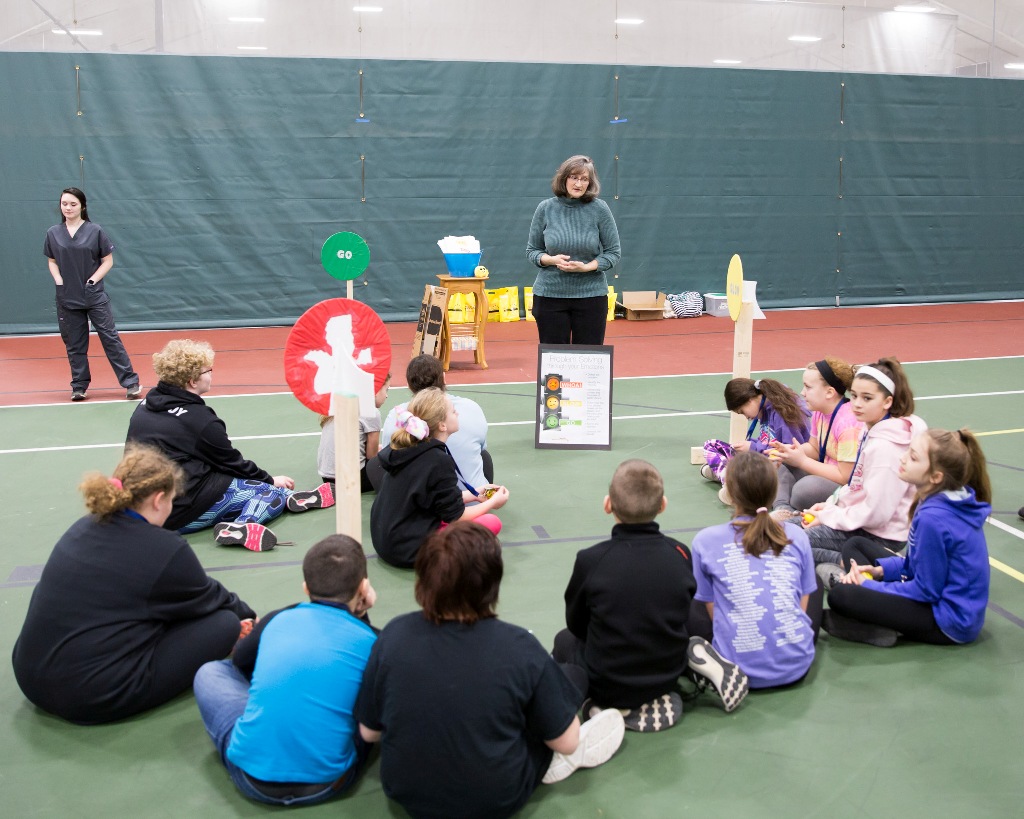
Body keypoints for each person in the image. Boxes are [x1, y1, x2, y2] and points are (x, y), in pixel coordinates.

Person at [355, 523, 626, 819]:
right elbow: (568, 742)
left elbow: (369, 732)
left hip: (405, 791)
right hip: (496, 797)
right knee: (572, 677)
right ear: (492, 584)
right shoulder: (519, 646)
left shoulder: (393, 636)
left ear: (422, 580)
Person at [11, 444, 256, 724]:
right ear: (158, 499)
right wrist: (250, 618)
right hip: (88, 696)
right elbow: (213, 598)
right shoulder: (164, 547)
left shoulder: (82, 527)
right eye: (172, 500)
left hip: (29, 677)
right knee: (224, 624)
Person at [553, 459, 747, 730]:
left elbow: (576, 624)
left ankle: (608, 705)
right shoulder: (679, 553)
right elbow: (681, 611)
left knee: (564, 641)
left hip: (611, 680)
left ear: (608, 505)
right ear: (662, 505)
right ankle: (684, 667)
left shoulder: (590, 560)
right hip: (667, 673)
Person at [193, 535, 378, 805]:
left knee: (211, 672)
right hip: (330, 782)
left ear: (305, 587)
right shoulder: (375, 640)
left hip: (251, 779)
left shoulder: (276, 620)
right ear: (364, 589)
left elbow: (241, 663)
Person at [126, 339, 334, 552]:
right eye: (208, 371)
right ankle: (243, 525)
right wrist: (271, 480)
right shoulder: (200, 420)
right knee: (271, 492)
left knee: (237, 482)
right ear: (192, 381)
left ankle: (290, 499)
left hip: (145, 506)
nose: (211, 375)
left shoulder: (145, 406)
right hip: (179, 511)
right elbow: (233, 463)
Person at [824, 429, 992, 647]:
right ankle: (873, 608)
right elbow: (916, 564)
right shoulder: (938, 497)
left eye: (913, 457)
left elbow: (926, 590)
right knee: (856, 546)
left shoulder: (934, 519)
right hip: (934, 595)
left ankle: (876, 627)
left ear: (936, 477)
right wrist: (880, 571)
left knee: (841, 595)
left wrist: (869, 586)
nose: (903, 459)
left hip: (948, 621)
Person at [690, 451, 822, 690]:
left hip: (734, 668)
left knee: (695, 592)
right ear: (774, 493)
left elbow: (712, 611)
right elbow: (802, 605)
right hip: (795, 666)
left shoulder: (705, 540)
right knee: (814, 584)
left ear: (730, 495)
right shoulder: (796, 535)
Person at [804, 357, 927, 577]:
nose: (857, 404)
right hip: (858, 520)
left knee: (787, 541)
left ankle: (851, 564)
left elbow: (876, 513)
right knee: (783, 534)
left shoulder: (886, 448)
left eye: (867, 398)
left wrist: (830, 516)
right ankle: (843, 564)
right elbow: (856, 486)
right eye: (854, 396)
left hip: (879, 534)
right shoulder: (871, 429)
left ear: (887, 402)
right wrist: (830, 506)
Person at [371, 388, 509, 568]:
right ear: (442, 425)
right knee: (491, 522)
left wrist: (475, 495)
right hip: (408, 550)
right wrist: (492, 502)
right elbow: (457, 516)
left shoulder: (410, 449)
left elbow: (434, 497)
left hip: (386, 541)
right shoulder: (438, 461)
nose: (457, 413)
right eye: (453, 411)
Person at [44, 187, 141, 401]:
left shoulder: (95, 231)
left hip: (94, 296)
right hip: (67, 297)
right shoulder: (53, 233)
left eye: (73, 204)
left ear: (82, 206)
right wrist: (59, 280)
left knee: (110, 338)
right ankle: (79, 386)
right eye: (64, 204)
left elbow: (108, 261)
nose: (68, 208)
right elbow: (52, 261)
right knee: (74, 344)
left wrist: (92, 281)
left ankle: (131, 382)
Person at [526, 154, 621, 345]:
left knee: (589, 357)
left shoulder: (600, 209)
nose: (579, 184)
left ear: (590, 183)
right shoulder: (545, 208)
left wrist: (587, 267)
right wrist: (551, 260)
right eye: (574, 177)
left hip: (592, 297)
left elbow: (613, 253)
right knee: (554, 359)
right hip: (550, 296)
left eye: (584, 179)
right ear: (564, 178)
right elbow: (532, 251)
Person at [378, 354, 491, 492]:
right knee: (483, 456)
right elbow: (481, 447)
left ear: (409, 385)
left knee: (376, 465)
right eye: (453, 412)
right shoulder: (471, 408)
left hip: (417, 495)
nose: (456, 413)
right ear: (444, 378)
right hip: (464, 496)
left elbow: (389, 459)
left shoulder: (397, 415)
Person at [772, 358, 862, 514]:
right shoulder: (819, 412)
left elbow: (845, 477)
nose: (802, 392)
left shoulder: (848, 425)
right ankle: (783, 509)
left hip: (847, 487)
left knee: (804, 490)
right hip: (826, 473)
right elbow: (814, 448)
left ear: (829, 392)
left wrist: (802, 461)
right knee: (781, 464)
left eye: (808, 387)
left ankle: (790, 508)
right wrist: (789, 452)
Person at [713, 376, 811, 505]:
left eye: (742, 412)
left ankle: (733, 482)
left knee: (777, 468)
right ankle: (729, 476)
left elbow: (789, 452)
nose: (746, 417)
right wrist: (751, 445)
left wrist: (753, 448)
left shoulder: (782, 413)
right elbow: (768, 440)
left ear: (750, 400)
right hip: (770, 457)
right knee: (712, 445)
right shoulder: (764, 410)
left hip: (788, 465)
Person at [317, 372, 390, 493]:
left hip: (327, 478)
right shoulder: (371, 412)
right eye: (386, 390)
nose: (386, 396)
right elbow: (372, 458)